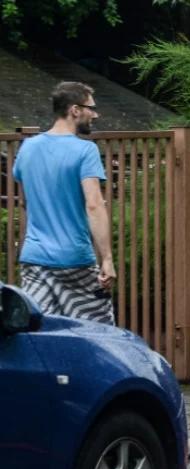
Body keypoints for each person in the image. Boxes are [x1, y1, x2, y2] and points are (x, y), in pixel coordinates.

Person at [12, 81, 115, 324]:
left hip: (34, 259)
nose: (95, 114)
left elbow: (27, 199)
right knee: (98, 336)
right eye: (91, 107)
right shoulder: (85, 151)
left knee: (42, 334)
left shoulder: (27, 147)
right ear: (75, 110)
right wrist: (107, 259)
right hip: (74, 261)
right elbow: (94, 205)